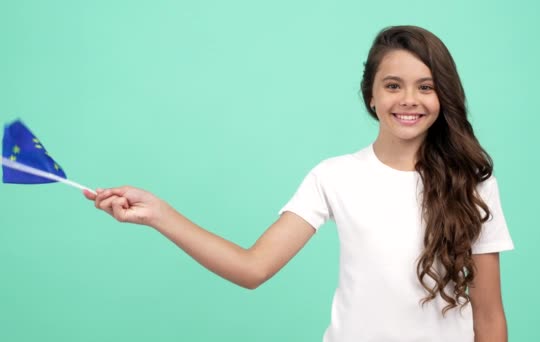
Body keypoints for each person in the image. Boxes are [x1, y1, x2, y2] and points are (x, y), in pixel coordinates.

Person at [84, 25, 514, 342]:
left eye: (426, 87)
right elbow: (253, 268)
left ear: (444, 97)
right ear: (371, 95)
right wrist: (160, 213)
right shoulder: (334, 176)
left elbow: (489, 317)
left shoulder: (471, 183)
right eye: (393, 85)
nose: (408, 100)